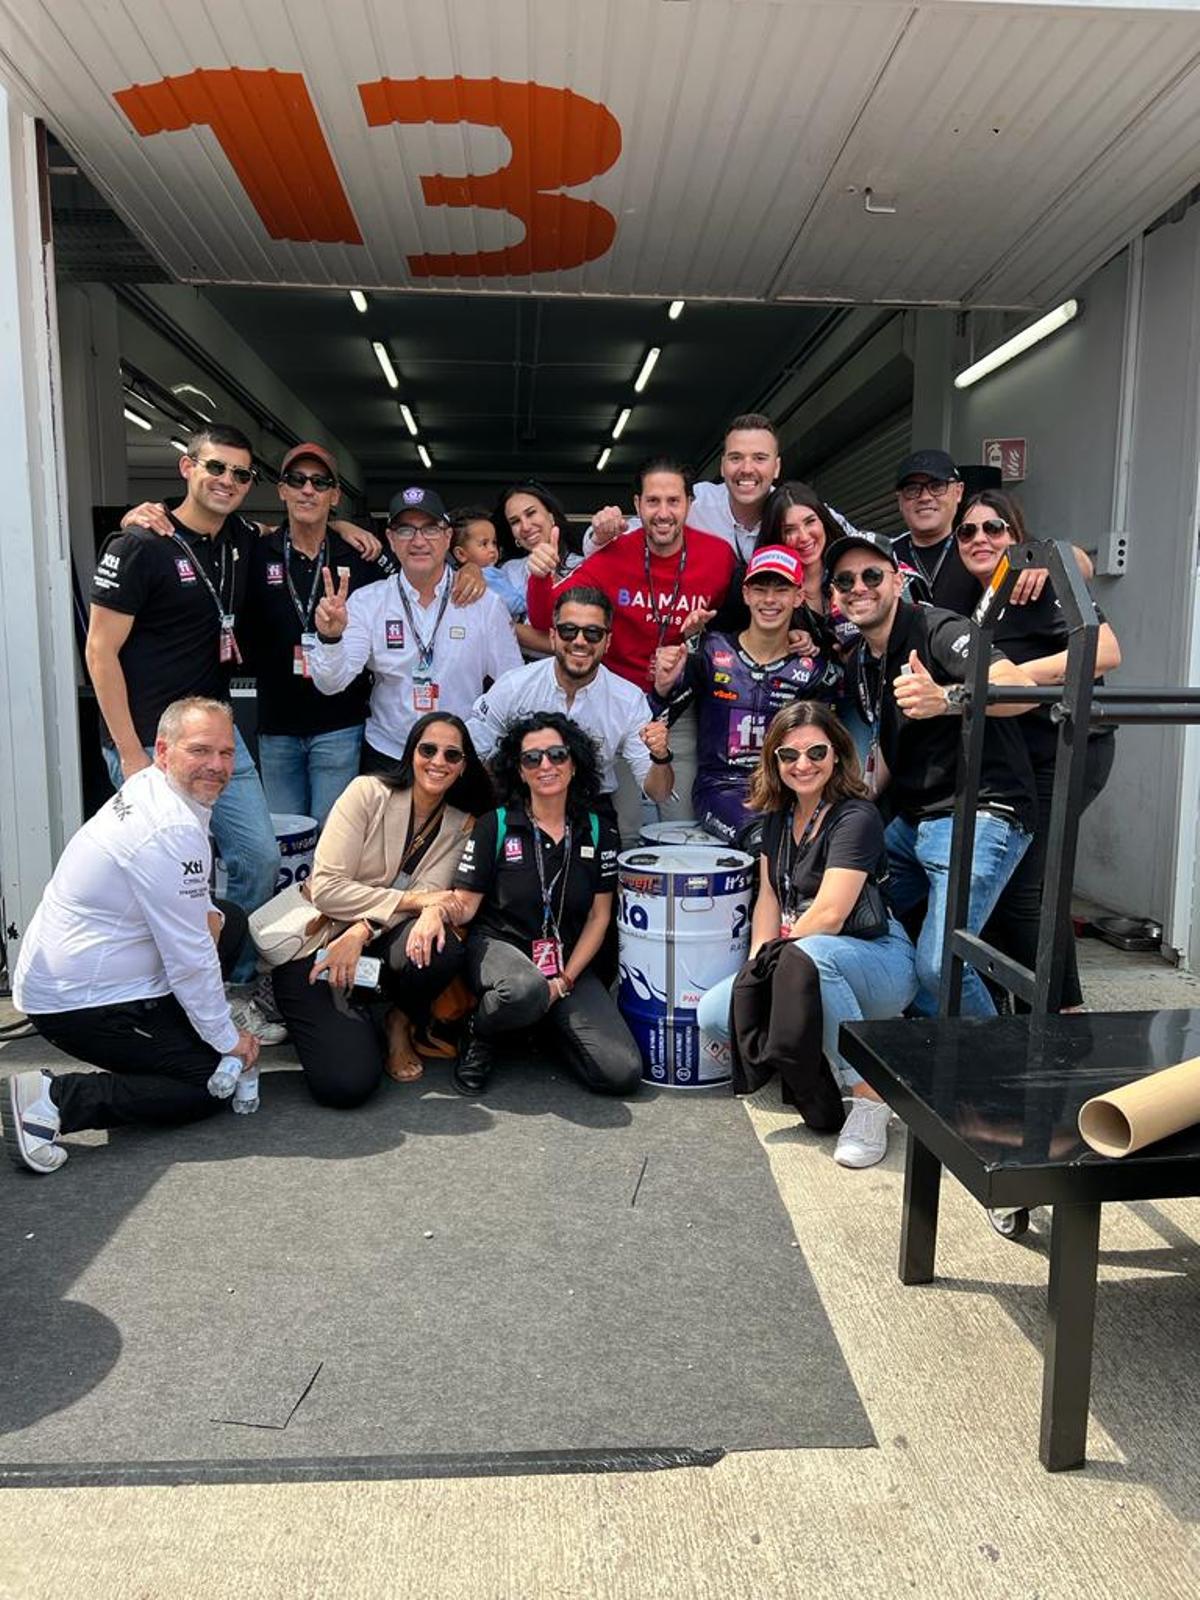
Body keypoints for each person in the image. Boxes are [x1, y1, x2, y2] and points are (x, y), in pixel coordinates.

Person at [6, 699, 261, 1173]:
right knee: (204, 1085)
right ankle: (53, 1100)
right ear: (163, 751)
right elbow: (188, 960)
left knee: (227, 920)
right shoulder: (169, 829)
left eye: (226, 753)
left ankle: (168, 1044)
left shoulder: (154, 786)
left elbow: (195, 928)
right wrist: (227, 1040)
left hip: (83, 967)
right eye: (200, 750)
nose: (217, 766)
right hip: (79, 1004)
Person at [85, 424, 281, 1004]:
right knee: (164, 877)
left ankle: (231, 982)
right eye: (215, 468)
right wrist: (130, 754)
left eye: (240, 475)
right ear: (187, 469)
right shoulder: (140, 545)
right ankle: (159, 992)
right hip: (150, 744)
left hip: (218, 739)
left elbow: (293, 529)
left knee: (257, 856)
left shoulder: (240, 540)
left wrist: (346, 525)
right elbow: (99, 652)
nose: (227, 481)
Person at [696, 701, 918, 1168]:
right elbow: (768, 901)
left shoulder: (856, 817)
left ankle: (869, 1094)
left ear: (837, 753)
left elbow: (833, 913)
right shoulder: (775, 821)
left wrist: (773, 963)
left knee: (812, 957)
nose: (803, 765)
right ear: (773, 762)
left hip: (875, 960)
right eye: (788, 755)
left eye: (816, 752)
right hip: (795, 957)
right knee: (716, 1014)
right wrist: (758, 965)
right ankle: (816, 1042)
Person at [828, 530, 1038, 1017]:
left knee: (941, 965)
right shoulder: (863, 658)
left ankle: (996, 1066)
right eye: (845, 580)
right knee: (856, 916)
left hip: (983, 811)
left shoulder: (938, 629)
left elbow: (1021, 689)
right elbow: (882, 749)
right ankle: (932, 1042)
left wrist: (945, 699)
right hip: (916, 818)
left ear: (898, 580)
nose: (858, 586)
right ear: (834, 596)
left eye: (872, 575)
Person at [269, 713, 493, 1105]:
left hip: (373, 940)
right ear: (411, 754)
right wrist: (420, 902)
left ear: (462, 768)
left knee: (442, 942)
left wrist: (360, 931)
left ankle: (398, 1020)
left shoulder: (461, 825)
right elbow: (327, 888)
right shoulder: (367, 792)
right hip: (314, 944)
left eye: (452, 754)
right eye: (428, 749)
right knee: (347, 1085)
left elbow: (432, 894)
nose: (438, 760)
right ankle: (333, 1012)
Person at [954, 490, 1122, 1009]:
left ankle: (1062, 1012)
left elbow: (1106, 651)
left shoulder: (1040, 585)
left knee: (1029, 887)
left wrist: (1014, 681)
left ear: (1016, 537)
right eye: (969, 531)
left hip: (1071, 749)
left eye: (994, 528)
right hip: (1019, 759)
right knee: (1009, 887)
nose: (981, 538)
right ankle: (1023, 1000)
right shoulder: (982, 600)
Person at [525, 458, 737, 836]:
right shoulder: (613, 553)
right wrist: (540, 576)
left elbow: (738, 628)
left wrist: (696, 641)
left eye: (673, 501)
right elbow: (546, 620)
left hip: (678, 704)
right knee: (621, 826)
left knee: (683, 824)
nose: (663, 513)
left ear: (690, 504)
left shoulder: (719, 557)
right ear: (637, 505)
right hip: (618, 705)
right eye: (653, 502)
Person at [449, 712, 643, 1099]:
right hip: (500, 950)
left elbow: (599, 916)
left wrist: (566, 980)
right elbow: (465, 906)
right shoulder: (496, 825)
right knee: (524, 990)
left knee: (621, 1073)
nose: (546, 766)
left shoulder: (599, 829)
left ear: (574, 763)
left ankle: (542, 1024)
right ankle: (480, 1032)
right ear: (519, 772)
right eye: (531, 759)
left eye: (557, 754)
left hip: (565, 962)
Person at [308, 485, 523, 770]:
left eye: (430, 529)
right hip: (389, 754)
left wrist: (484, 740)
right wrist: (330, 638)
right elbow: (331, 683)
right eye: (406, 530)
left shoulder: (484, 604)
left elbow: (513, 685)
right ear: (391, 539)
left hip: (459, 757)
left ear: (447, 537)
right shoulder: (367, 602)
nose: (418, 540)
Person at [651, 546, 842, 846]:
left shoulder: (813, 669)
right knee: (762, 838)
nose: (769, 599)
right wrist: (662, 688)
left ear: (798, 596)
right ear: (745, 594)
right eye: (760, 589)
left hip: (788, 787)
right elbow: (659, 717)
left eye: (781, 589)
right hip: (722, 790)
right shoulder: (711, 650)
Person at [240, 442, 387, 827]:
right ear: (282, 489)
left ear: (335, 495)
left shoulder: (359, 556)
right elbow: (198, 524)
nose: (308, 489)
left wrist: (471, 570)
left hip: (340, 722)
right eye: (297, 480)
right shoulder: (257, 551)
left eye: (320, 483)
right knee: (284, 837)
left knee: (331, 842)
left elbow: (420, 569)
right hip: (276, 724)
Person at [466, 586, 674, 825]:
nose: (580, 641)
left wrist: (661, 757)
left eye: (593, 633)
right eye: (568, 631)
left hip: (590, 809)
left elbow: (658, 793)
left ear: (608, 642)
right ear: (553, 636)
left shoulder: (629, 700)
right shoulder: (514, 686)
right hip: (521, 803)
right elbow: (473, 752)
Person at [493, 481, 584, 656]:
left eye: (531, 513)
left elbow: (580, 643)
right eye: (515, 521)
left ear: (551, 516)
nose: (525, 527)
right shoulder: (508, 571)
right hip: (519, 671)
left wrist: (505, 625)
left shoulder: (583, 566)